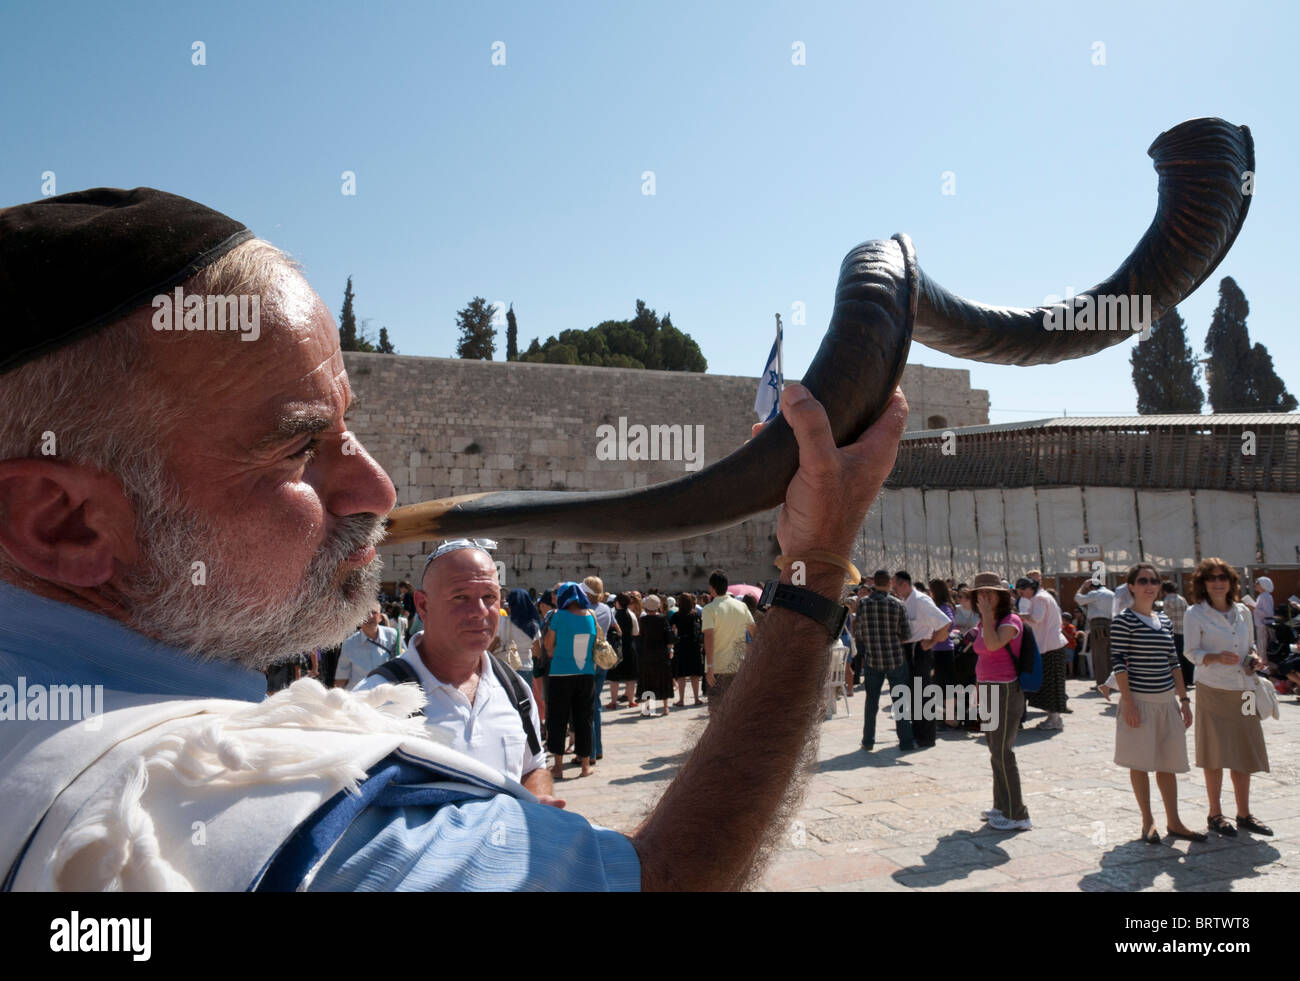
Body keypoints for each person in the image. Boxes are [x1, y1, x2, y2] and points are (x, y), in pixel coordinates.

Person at [0, 186, 908, 891]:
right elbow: (669, 879)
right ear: (63, 520)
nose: (377, 488)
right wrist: (815, 570)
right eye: (299, 447)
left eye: (348, 429)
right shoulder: (300, 832)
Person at [355, 543, 552, 799]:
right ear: (423, 606)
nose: (480, 612)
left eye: (489, 597)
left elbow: (533, 767)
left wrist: (539, 804)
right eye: (461, 597)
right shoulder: (377, 700)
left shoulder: (514, 689)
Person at [1110, 563, 1204, 843]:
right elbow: (1118, 664)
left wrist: (1184, 699)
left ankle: (1174, 822)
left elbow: (1173, 662)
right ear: (1131, 586)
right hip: (1138, 700)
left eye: (1154, 580)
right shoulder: (1123, 620)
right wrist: (1128, 703)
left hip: (1167, 702)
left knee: (1168, 763)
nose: (1149, 585)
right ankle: (1147, 821)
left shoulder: (1163, 619)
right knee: (1139, 762)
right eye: (1142, 580)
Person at [1183, 559, 1273, 837]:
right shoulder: (1194, 614)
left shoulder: (1243, 612)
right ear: (1203, 583)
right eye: (1211, 578)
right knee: (1214, 752)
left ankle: (1244, 813)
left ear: (1232, 581)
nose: (1218, 582)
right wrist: (1214, 657)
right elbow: (1190, 653)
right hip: (1214, 690)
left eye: (1223, 577)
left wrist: (1254, 657)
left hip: (1244, 690)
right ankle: (1215, 813)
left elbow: (1249, 646)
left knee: (1244, 749)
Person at [969, 572, 1031, 831]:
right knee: (994, 749)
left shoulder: (1010, 620)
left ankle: (1018, 814)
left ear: (1001, 596)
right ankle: (1001, 806)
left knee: (1004, 751)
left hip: (1005, 691)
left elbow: (993, 646)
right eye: (980, 593)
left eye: (989, 592)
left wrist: (985, 616)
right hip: (989, 689)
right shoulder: (987, 622)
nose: (984, 597)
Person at [853, 570, 913, 752]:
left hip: (873, 658)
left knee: (871, 702)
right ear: (889, 584)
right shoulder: (897, 604)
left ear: (874, 584)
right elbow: (906, 634)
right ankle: (906, 741)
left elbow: (859, 632)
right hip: (895, 658)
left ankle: (868, 740)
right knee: (900, 701)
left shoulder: (863, 604)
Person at [543, 581, 598, 779]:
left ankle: (558, 767)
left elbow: (549, 646)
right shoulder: (590, 617)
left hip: (560, 674)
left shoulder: (559, 616)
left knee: (557, 719)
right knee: (584, 718)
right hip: (586, 674)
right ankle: (585, 766)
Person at [892, 570, 952, 749]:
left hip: (919, 649)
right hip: (909, 649)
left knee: (923, 694)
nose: (894, 591)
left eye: (896, 587)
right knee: (913, 694)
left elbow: (945, 623)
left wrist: (933, 641)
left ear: (904, 584)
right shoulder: (905, 600)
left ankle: (926, 737)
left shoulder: (920, 600)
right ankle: (918, 734)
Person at [1016, 577, 1069, 730]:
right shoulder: (1044, 596)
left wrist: (1020, 616)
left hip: (1050, 646)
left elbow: (1037, 618)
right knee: (1051, 683)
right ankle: (1054, 718)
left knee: (1051, 684)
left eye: (1022, 591)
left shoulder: (1040, 598)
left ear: (1029, 588)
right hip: (1051, 645)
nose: (1022, 595)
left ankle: (1054, 719)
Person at [701, 570, 754, 712]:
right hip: (738, 665)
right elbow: (753, 630)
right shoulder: (741, 606)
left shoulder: (709, 609)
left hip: (718, 666)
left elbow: (709, 636)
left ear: (712, 588)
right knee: (737, 709)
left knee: (717, 711)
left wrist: (710, 666)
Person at [583, 576, 620, 763]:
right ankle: (597, 749)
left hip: (588, 661)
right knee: (595, 705)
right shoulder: (606, 608)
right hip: (602, 659)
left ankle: (589, 752)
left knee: (588, 707)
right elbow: (617, 629)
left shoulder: (585, 612)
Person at [334, 601, 399, 690]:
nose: (369, 616)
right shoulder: (349, 644)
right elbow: (341, 677)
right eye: (364, 613)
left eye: (374, 612)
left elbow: (403, 662)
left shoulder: (393, 636)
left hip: (385, 695)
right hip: (358, 697)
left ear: (380, 617)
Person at [638, 595, 676, 715]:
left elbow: (641, 636)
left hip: (647, 653)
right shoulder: (663, 619)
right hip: (661, 653)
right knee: (663, 679)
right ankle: (665, 708)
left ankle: (648, 708)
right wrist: (670, 650)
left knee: (647, 680)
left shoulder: (643, 620)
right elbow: (669, 637)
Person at [928, 579, 959, 726]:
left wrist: (936, 637)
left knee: (945, 685)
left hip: (943, 650)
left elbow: (948, 622)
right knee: (940, 685)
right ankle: (944, 716)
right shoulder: (942, 606)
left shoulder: (943, 606)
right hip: (940, 649)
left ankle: (950, 718)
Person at [1075, 578, 1116, 686]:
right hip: (1110, 623)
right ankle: (1111, 682)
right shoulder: (1111, 593)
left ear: (1092, 587)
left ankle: (1102, 682)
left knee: (1099, 654)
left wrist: (1083, 586)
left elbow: (1078, 599)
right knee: (1108, 654)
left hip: (1098, 624)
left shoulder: (1095, 593)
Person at [672, 593, 705, 706]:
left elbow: (670, 629)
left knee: (681, 674)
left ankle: (681, 700)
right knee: (694, 674)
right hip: (694, 645)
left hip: (681, 645)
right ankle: (696, 699)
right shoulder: (696, 614)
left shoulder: (676, 615)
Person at [608, 592, 640, 709]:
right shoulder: (631, 614)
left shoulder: (612, 613)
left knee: (614, 677)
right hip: (629, 647)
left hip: (616, 647)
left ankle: (613, 702)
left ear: (617, 602)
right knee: (630, 676)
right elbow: (636, 632)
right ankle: (631, 701)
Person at [1160, 581, 1192, 686]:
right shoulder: (1182, 599)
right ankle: (1189, 679)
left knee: (1176, 658)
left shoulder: (1167, 600)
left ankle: (1180, 681)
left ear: (1164, 590)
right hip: (1184, 631)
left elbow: (1165, 618)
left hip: (1173, 632)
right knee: (1185, 656)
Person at [1250, 577, 1275, 663]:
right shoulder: (1263, 596)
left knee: (1262, 646)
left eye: (1257, 583)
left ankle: (1263, 666)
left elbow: (1268, 613)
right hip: (1261, 624)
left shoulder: (1265, 596)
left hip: (1263, 625)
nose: (1255, 585)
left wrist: (1254, 608)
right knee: (1261, 646)